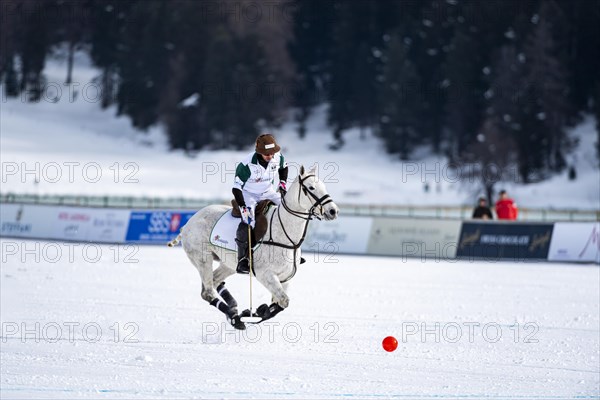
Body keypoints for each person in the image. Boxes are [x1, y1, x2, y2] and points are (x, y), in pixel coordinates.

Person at [232, 133, 288, 274]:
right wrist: (243, 206)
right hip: (248, 194)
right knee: (248, 220)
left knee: (287, 208)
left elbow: (284, 168)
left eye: (272, 152)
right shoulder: (246, 164)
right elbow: (236, 188)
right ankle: (243, 259)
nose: (270, 156)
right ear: (259, 152)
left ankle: (289, 251)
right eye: (266, 153)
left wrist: (282, 183)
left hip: (268, 191)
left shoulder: (278, 157)